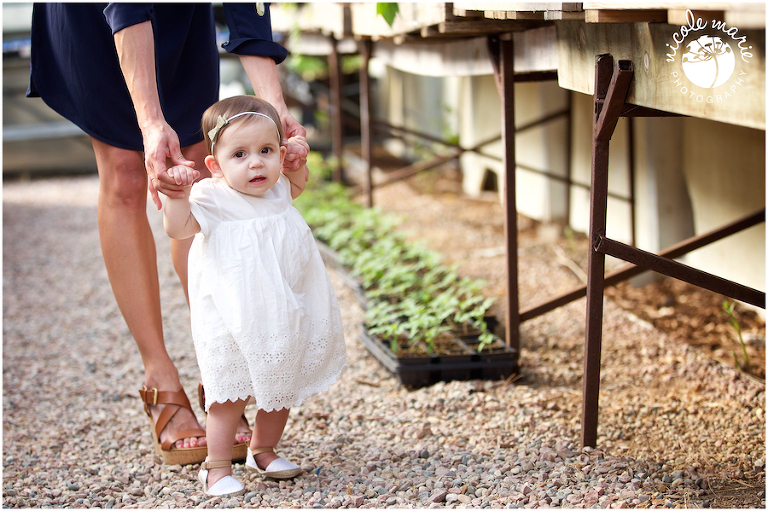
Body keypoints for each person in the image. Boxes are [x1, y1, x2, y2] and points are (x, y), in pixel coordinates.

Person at [27, 3, 309, 465]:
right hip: (93, 17)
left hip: (179, 13)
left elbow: (247, 7)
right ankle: (160, 376)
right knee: (127, 171)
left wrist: (273, 106)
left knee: (195, 168)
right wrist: (151, 121)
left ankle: (222, 372)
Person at [163, 95, 347, 496]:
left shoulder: (278, 186)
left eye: (266, 151)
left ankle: (262, 449)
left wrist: (297, 164)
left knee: (278, 383)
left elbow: (298, 185)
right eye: (240, 154)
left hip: (282, 309)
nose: (256, 163)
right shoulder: (212, 197)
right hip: (234, 313)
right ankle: (215, 468)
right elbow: (178, 231)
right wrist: (175, 197)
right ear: (215, 165)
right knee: (229, 393)